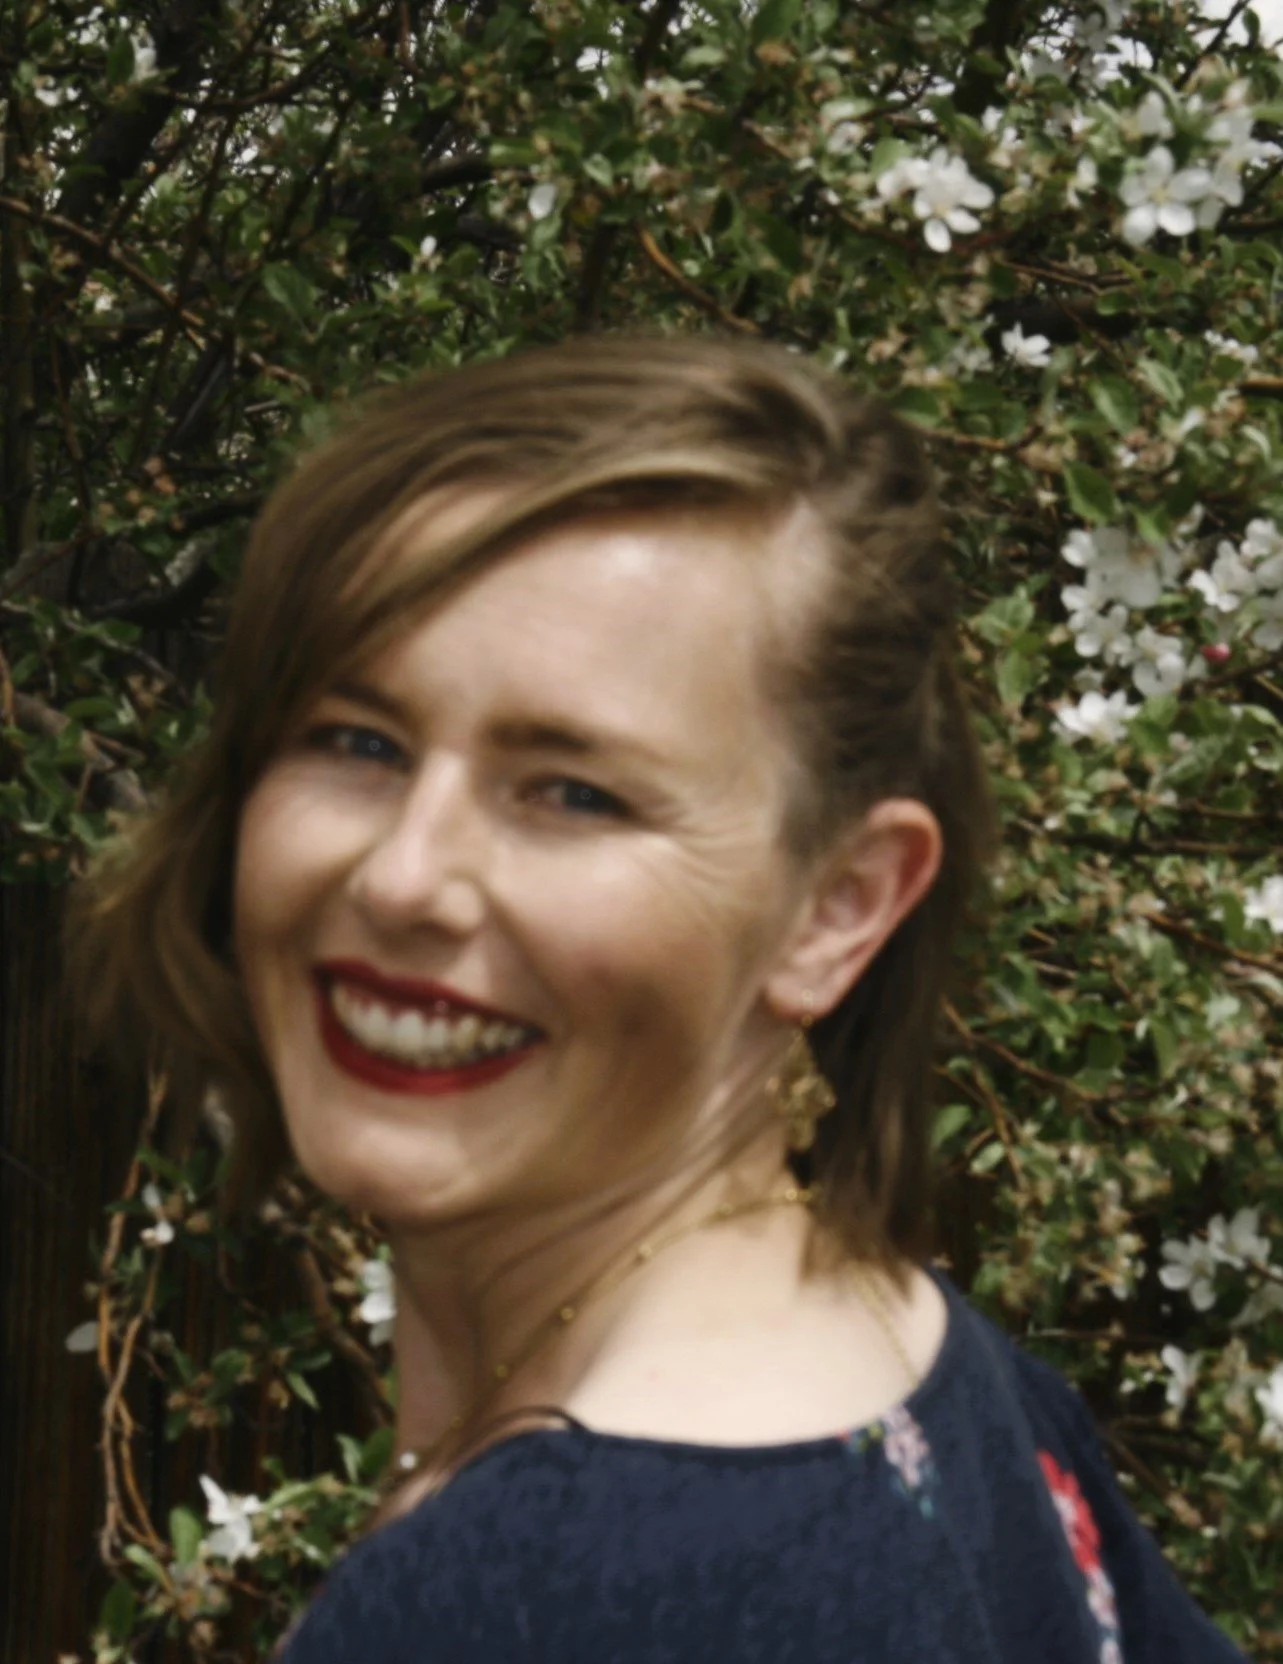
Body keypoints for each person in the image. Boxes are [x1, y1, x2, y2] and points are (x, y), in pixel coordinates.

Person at [72, 335, 1250, 1662]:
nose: (403, 878)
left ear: (836, 907)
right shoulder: (929, 1374)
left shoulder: (529, 1603)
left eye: (575, 793)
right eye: (358, 741)